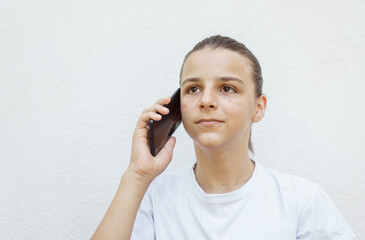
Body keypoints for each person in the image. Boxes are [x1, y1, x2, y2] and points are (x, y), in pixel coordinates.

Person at [91, 35, 356, 240]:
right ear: (177, 107)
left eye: (227, 88)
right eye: (193, 88)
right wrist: (137, 176)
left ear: (259, 107)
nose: (206, 100)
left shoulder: (302, 200)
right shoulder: (151, 199)